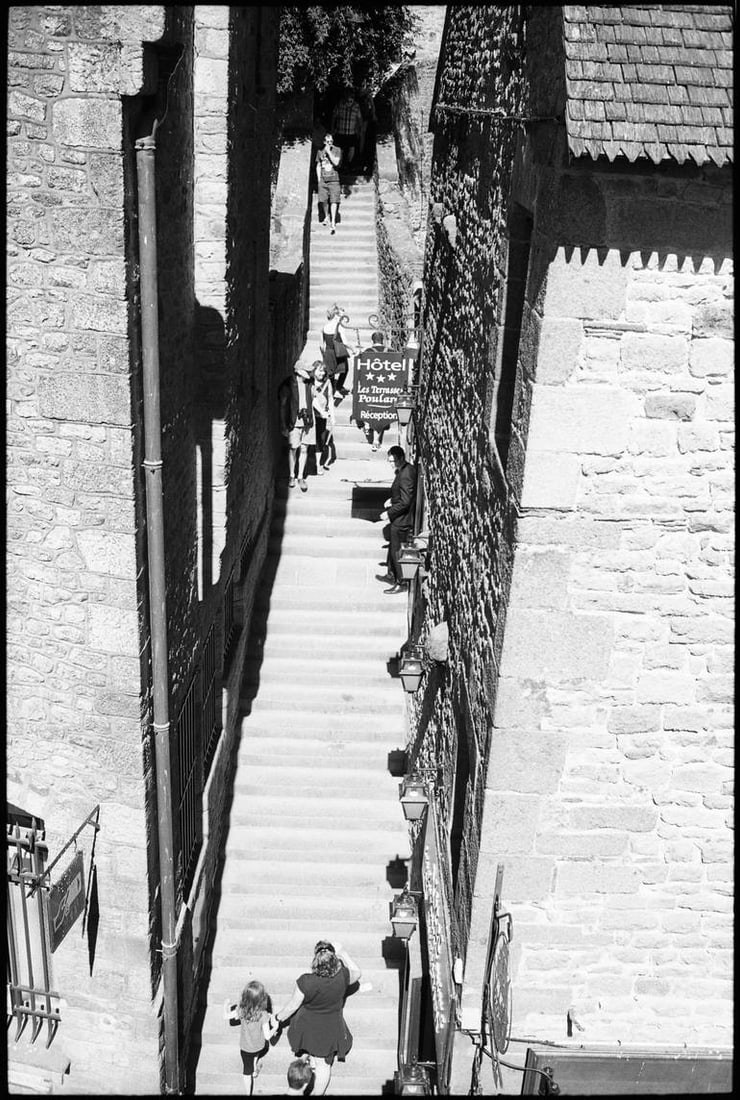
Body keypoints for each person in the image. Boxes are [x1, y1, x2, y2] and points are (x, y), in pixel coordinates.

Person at [271, 940, 361, 1096]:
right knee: (324, 1065)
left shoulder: (306, 982)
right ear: (335, 960)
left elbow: (292, 1006)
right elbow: (357, 972)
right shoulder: (343, 976)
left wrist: (277, 1019)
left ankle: (310, 1059)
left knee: (312, 1052)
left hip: (306, 1025)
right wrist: (343, 953)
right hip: (330, 1027)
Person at [223, 980, 278, 1095]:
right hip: (259, 1046)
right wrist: (275, 1027)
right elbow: (267, 1036)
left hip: (245, 1047)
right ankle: (254, 1069)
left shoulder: (241, 1010)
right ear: (262, 1000)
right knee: (255, 1055)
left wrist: (226, 1006)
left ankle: (248, 1091)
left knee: (246, 1071)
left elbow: (226, 1016)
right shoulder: (263, 1014)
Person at [376, 445, 417, 594]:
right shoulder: (403, 470)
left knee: (397, 550)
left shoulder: (407, 474)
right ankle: (391, 575)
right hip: (398, 519)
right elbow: (400, 494)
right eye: (389, 461)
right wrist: (391, 500)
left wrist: (389, 513)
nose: (391, 464)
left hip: (402, 520)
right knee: (393, 547)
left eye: (392, 461)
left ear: (400, 458)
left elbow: (406, 501)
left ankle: (401, 582)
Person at [278, 361, 315, 491]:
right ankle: (291, 475)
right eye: (307, 371)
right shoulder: (288, 384)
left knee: (304, 449)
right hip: (294, 422)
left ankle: (300, 476)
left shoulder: (310, 383)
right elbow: (283, 406)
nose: (309, 373)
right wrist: (283, 425)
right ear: (299, 371)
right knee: (293, 449)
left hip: (307, 421)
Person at [356, 331, 391, 451]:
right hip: (384, 387)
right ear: (383, 340)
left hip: (370, 385)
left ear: (372, 341)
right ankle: (376, 440)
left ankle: (366, 424)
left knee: (368, 406)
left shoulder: (367, 352)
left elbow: (360, 369)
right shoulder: (391, 352)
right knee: (380, 413)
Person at [321, 305, 352, 398]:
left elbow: (321, 344)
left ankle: (333, 390)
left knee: (331, 373)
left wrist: (324, 355)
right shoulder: (339, 327)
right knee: (345, 370)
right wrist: (353, 349)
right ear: (336, 315)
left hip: (328, 352)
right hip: (338, 352)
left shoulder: (324, 327)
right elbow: (345, 342)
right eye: (341, 316)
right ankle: (337, 388)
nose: (342, 318)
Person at [312, 360, 336, 472]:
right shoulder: (310, 382)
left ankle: (318, 464)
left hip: (322, 416)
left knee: (320, 439)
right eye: (320, 371)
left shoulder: (327, 382)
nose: (322, 373)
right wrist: (322, 411)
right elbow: (312, 400)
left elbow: (330, 398)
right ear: (314, 370)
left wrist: (332, 415)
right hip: (311, 415)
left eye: (323, 371)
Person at [315, 131, 341, 233]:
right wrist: (318, 179)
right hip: (323, 180)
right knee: (324, 200)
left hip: (334, 180)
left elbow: (336, 162)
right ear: (324, 142)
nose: (329, 143)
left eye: (331, 142)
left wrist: (329, 152)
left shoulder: (337, 150)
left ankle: (333, 221)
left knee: (334, 201)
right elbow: (318, 166)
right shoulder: (319, 152)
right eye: (327, 142)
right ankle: (326, 216)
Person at [331, 90, 362, 173]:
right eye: (348, 98)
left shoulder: (356, 106)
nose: (349, 101)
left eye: (351, 98)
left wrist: (359, 130)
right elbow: (334, 116)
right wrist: (332, 128)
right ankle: (339, 166)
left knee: (351, 149)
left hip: (352, 132)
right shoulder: (339, 104)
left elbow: (359, 119)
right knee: (340, 149)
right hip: (340, 131)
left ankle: (348, 165)